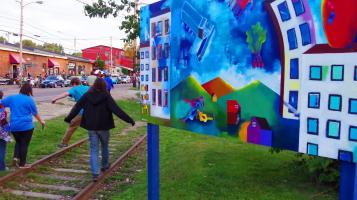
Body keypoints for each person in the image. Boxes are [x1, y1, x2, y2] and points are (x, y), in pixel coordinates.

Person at [64, 78, 135, 181]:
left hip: (91, 127)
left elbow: (77, 107)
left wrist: (69, 118)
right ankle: (105, 165)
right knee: (105, 146)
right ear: (104, 86)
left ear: (93, 85)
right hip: (104, 127)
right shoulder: (106, 96)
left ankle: (95, 173)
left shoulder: (87, 95)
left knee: (93, 149)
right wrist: (129, 120)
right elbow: (116, 109)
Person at [2, 84, 45, 168]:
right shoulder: (30, 100)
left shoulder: (12, 98)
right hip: (26, 126)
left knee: (19, 142)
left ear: (21, 90)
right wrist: (41, 121)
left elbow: (1, 103)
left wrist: (3, 115)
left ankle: (15, 157)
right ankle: (22, 164)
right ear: (29, 91)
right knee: (24, 144)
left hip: (14, 126)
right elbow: (35, 113)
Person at [52, 77, 90, 148]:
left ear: (74, 83)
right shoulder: (87, 87)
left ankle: (64, 143)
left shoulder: (74, 89)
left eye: (72, 85)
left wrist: (55, 98)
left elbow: (65, 94)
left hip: (83, 111)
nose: (72, 86)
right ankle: (96, 136)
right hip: (92, 111)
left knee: (72, 125)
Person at [0, 91, 11, 171]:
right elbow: (3, 120)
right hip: (1, 131)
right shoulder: (1, 106)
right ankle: (2, 167)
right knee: (2, 147)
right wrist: (8, 131)